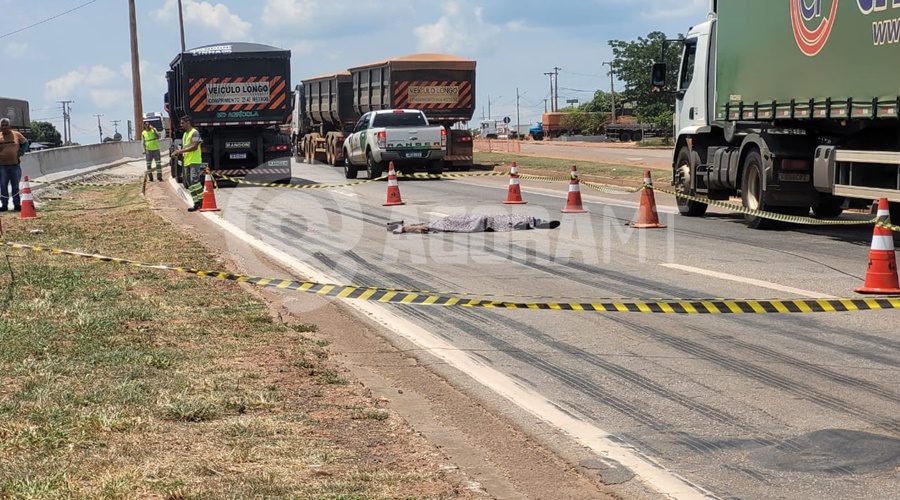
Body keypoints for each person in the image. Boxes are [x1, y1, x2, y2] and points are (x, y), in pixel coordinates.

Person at [387, 213, 560, 234]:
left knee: (498, 219)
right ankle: (533, 222)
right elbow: (424, 227)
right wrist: (408, 228)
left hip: (471, 219)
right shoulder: (436, 224)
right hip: (477, 222)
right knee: (494, 220)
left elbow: (424, 227)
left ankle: (533, 221)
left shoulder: (436, 223)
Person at [172, 116, 204, 211]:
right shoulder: (185, 134)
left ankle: (202, 200)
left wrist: (180, 151)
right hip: (187, 161)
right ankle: (196, 203)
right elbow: (185, 147)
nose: (181, 125)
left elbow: (194, 147)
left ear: (188, 122)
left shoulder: (195, 132)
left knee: (195, 181)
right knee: (189, 183)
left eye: (182, 123)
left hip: (194, 160)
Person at [0, 117, 28, 212]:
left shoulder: (16, 134)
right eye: (2, 125)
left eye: (6, 125)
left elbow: (26, 143)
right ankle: (4, 204)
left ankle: (17, 204)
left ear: (9, 126)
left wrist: (22, 151)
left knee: (15, 185)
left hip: (15, 165)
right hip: (2, 166)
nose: (4, 127)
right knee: (3, 185)